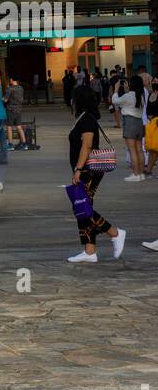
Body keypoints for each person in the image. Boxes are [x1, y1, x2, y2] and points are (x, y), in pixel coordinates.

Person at [67, 86, 124, 263]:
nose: (71, 101)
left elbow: (87, 145)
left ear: (79, 100)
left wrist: (78, 168)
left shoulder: (87, 120)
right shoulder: (84, 118)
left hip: (87, 170)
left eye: (73, 98)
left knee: (82, 207)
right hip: (84, 169)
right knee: (82, 206)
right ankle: (90, 251)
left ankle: (114, 232)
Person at [113, 73, 146, 181]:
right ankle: (140, 174)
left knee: (132, 150)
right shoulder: (141, 96)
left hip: (130, 123)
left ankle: (135, 174)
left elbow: (115, 101)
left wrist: (116, 89)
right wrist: (127, 90)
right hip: (139, 123)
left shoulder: (128, 96)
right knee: (139, 149)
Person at [4, 75, 28, 150]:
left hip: (10, 110)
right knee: (19, 126)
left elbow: (5, 100)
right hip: (19, 109)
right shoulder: (21, 88)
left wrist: (1, 97)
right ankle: (24, 144)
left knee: (9, 127)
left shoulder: (10, 89)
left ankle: (10, 145)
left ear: (11, 79)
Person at [144, 78, 158, 177]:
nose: (154, 83)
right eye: (153, 81)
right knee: (152, 148)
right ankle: (149, 169)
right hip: (151, 124)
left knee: (156, 148)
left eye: (156, 82)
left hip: (157, 123)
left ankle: (149, 169)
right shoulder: (150, 93)